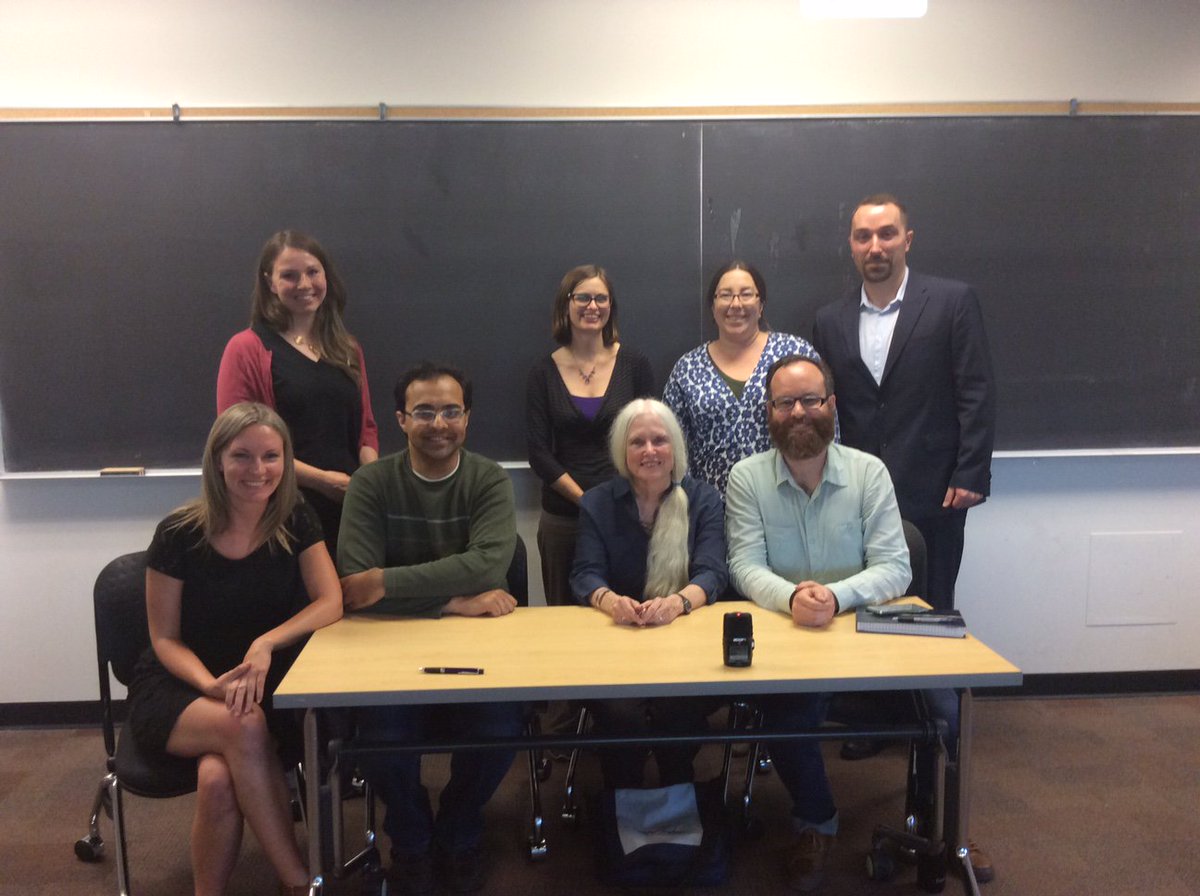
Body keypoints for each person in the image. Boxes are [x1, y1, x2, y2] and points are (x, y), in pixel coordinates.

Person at [125, 402, 343, 896]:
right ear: (217, 460)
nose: (258, 470)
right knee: (241, 722)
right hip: (180, 685)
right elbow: (164, 638)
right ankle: (299, 881)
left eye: (271, 456)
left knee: (218, 780)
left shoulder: (296, 519)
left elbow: (330, 602)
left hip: (263, 680)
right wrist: (208, 685)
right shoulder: (179, 533)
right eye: (241, 456)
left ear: (286, 461)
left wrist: (265, 643)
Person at [337, 361, 524, 896]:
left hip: (480, 651)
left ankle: (461, 828)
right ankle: (412, 837)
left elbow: (491, 564)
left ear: (467, 418)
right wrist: (450, 603)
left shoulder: (488, 478)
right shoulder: (372, 483)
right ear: (400, 419)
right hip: (388, 649)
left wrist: (387, 582)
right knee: (381, 733)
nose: (437, 423)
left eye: (450, 411)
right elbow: (355, 587)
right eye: (423, 412)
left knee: (502, 725)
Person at [724, 355, 910, 893]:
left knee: (943, 710)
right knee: (785, 716)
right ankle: (816, 820)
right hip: (789, 641)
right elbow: (744, 563)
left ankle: (939, 827)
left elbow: (896, 566)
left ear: (831, 405)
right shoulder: (747, 478)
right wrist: (791, 598)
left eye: (811, 400)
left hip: (860, 635)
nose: (799, 412)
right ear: (770, 411)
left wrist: (834, 596)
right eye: (785, 402)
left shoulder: (869, 472)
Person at [812, 195, 996, 612]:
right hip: (854, 496)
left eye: (887, 234)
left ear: (907, 240)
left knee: (932, 606)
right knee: (861, 603)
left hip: (935, 490)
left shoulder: (952, 302)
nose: (875, 246)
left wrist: (971, 473)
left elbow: (976, 391)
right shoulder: (829, 320)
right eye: (864, 237)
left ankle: (934, 680)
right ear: (852, 245)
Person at [570, 398, 727, 788]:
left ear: (676, 448)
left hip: (684, 639)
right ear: (622, 451)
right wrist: (611, 602)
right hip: (617, 639)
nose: (650, 451)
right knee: (621, 715)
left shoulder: (704, 500)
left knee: (678, 710)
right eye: (637, 442)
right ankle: (623, 797)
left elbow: (712, 573)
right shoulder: (596, 503)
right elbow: (586, 574)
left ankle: (678, 792)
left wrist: (676, 603)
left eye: (660, 440)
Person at [217, 230, 379, 556]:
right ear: (270, 283)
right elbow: (239, 443)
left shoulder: (347, 347)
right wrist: (324, 481)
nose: (304, 284)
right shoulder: (246, 349)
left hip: (349, 510)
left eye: (312, 272)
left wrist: (369, 480)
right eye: (289, 276)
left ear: (326, 276)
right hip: (280, 513)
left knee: (353, 601)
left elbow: (366, 429)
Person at [526, 264, 654, 604]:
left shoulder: (635, 365)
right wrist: (587, 501)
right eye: (582, 297)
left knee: (628, 613)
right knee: (564, 620)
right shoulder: (543, 371)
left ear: (611, 306)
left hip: (626, 514)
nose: (592, 306)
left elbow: (651, 438)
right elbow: (538, 452)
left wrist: (611, 504)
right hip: (563, 519)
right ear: (565, 305)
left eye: (601, 298)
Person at [663, 260, 824, 498]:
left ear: (761, 305)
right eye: (725, 295)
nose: (735, 304)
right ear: (713, 305)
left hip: (788, 502)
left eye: (746, 294)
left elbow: (826, 427)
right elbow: (671, 445)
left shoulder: (795, 354)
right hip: (711, 512)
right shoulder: (687, 368)